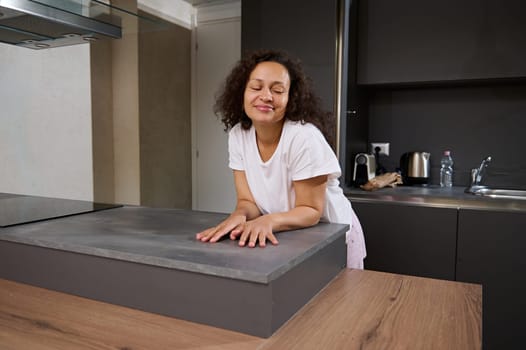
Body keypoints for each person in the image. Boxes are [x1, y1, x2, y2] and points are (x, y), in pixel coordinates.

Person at [195, 50, 366, 269]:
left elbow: (311, 211)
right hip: (290, 235)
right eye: (256, 87)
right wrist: (240, 215)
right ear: (242, 93)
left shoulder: (303, 137)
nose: (266, 96)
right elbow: (248, 202)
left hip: (333, 237)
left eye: (277, 90)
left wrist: (268, 221)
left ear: (290, 99)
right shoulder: (239, 135)